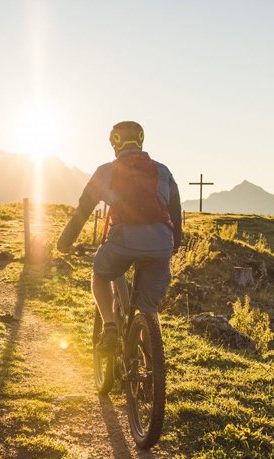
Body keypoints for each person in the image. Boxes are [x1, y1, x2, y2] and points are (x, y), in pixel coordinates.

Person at [56, 121, 182, 353]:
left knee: (100, 274)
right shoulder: (163, 171)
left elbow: (83, 211)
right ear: (141, 140)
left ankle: (111, 327)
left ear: (115, 143)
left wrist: (64, 243)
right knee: (148, 309)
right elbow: (175, 210)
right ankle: (151, 358)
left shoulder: (106, 171)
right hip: (162, 244)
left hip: (124, 240)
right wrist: (175, 244)